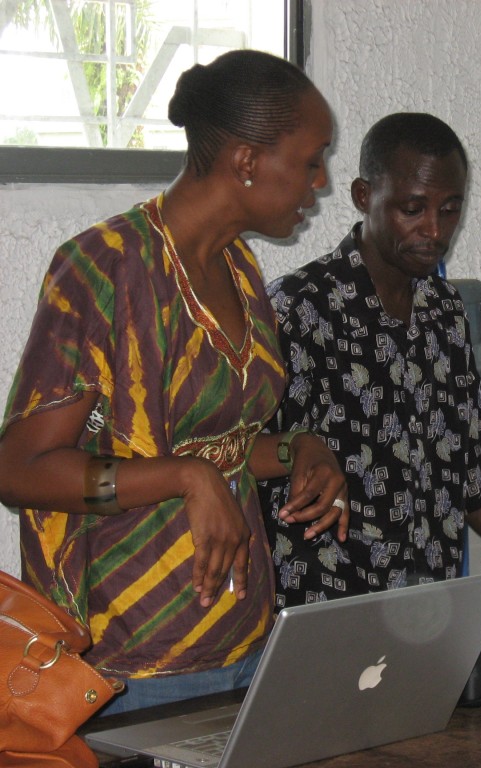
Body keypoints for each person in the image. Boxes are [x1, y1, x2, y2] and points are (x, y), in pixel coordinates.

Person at [0, 50, 349, 714]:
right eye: (310, 161)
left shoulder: (240, 273)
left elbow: (216, 450)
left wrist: (303, 449)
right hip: (127, 665)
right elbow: (20, 469)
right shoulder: (102, 268)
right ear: (246, 162)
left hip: (243, 639)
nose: (321, 183)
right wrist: (184, 479)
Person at [260, 112, 481, 606]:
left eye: (450, 209)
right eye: (413, 209)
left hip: (429, 618)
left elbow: (475, 478)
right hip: (324, 620)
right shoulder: (297, 312)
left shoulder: (444, 311)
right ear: (365, 197)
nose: (434, 229)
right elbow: (239, 462)